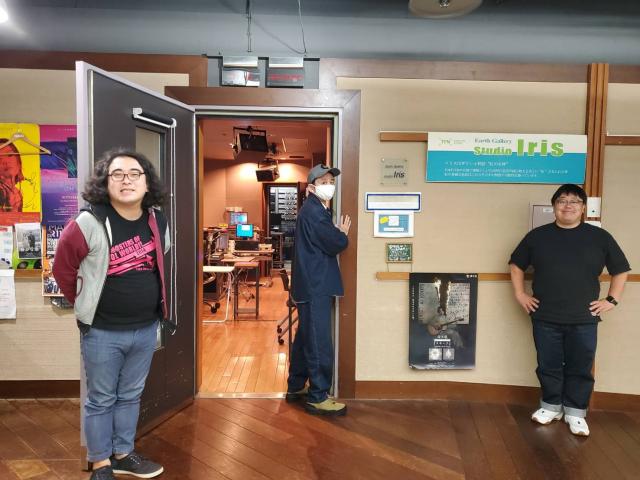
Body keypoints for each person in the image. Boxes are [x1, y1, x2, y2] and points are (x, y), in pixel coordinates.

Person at [53, 148, 172, 479]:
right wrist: (84, 304)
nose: (126, 180)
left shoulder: (157, 220)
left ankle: (123, 453)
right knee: (101, 399)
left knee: (130, 395)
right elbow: (63, 268)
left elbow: (161, 258)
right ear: (105, 183)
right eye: (117, 174)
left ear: (147, 183)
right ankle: (100, 463)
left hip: (145, 328)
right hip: (102, 331)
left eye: (135, 174)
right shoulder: (88, 222)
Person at [509, 184, 630, 437]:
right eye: (562, 201)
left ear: (583, 208)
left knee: (580, 366)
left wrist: (612, 300)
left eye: (574, 201)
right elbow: (516, 264)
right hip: (545, 315)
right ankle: (550, 406)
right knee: (548, 364)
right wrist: (520, 294)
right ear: (554, 206)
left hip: (584, 317)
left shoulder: (600, 237)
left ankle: (576, 412)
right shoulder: (537, 236)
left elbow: (620, 270)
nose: (568, 205)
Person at [285, 164, 351, 416]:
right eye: (323, 182)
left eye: (331, 181)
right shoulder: (315, 212)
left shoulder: (314, 210)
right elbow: (335, 243)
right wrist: (341, 234)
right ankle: (318, 396)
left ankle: (295, 386)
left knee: (305, 337)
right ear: (311, 188)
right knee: (318, 341)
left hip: (309, 284)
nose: (329, 186)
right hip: (316, 286)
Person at [0, 140, 24, 212]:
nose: (6, 161)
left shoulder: (17, 193)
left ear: (18, 161)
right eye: (0, 158)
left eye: (10, 155)